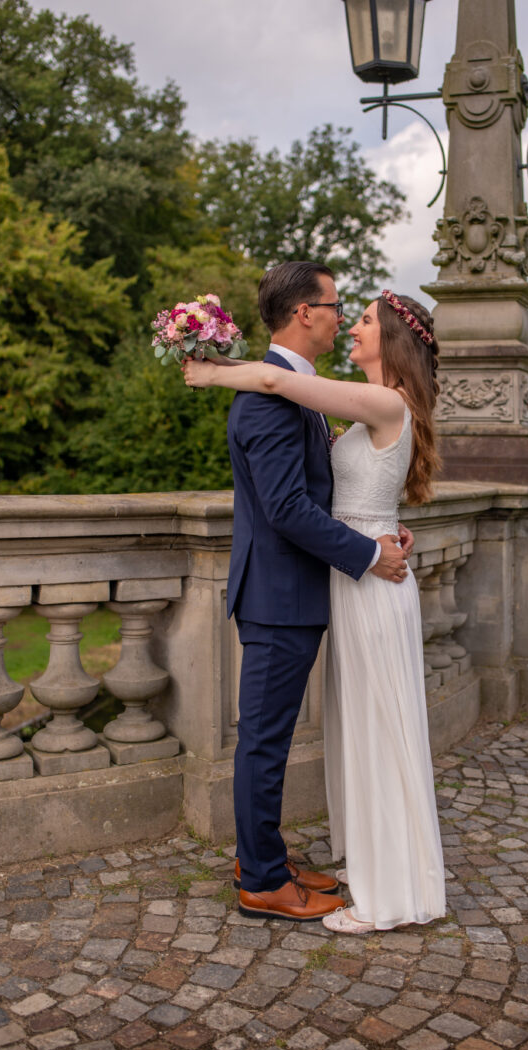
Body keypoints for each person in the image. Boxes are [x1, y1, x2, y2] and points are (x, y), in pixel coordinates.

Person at [183, 268, 446, 934]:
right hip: (285, 592)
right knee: (265, 742)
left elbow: (336, 479)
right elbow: (287, 507)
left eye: (359, 317)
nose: (344, 320)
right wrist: (367, 547)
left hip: (329, 588)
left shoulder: (313, 394)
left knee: (322, 731)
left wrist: (380, 525)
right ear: (306, 312)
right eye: (339, 309)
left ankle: (271, 863)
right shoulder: (274, 396)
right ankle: (263, 880)